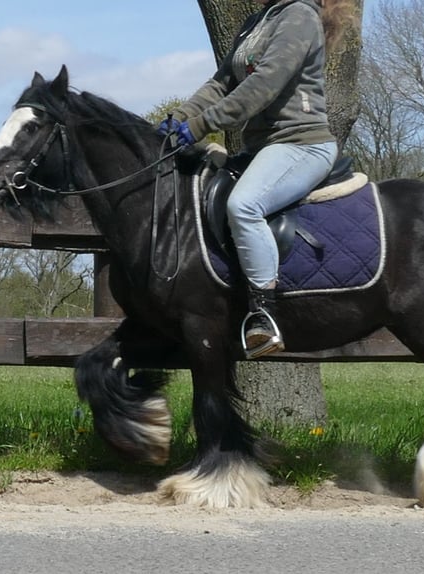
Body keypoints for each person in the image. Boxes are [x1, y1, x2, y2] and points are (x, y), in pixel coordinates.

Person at [158, 0, 355, 358]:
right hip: (263, 149)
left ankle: (264, 316)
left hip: (301, 145)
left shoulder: (300, 16)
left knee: (244, 205)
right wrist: (179, 116)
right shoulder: (259, 21)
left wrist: (200, 125)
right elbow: (222, 83)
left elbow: (264, 84)